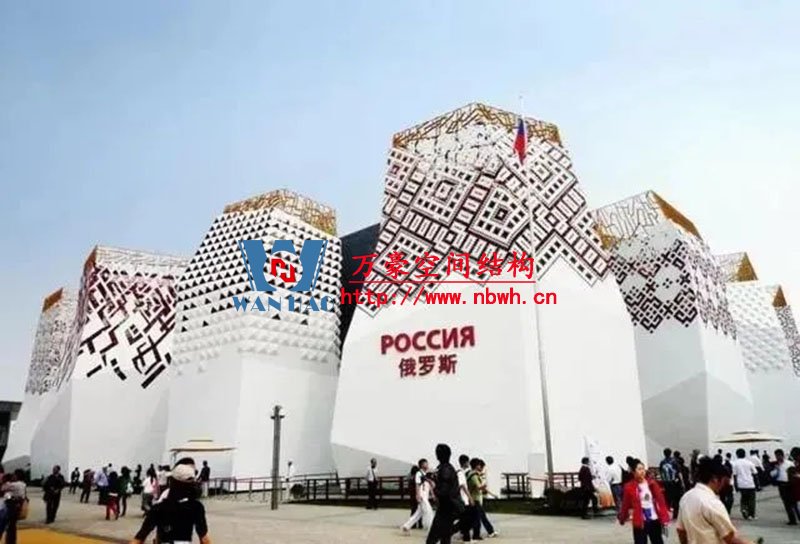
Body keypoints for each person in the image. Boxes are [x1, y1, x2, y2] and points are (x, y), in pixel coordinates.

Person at [676, 457, 757, 544]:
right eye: (723, 481)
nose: (723, 485)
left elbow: (681, 530)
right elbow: (730, 538)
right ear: (715, 479)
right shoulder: (712, 502)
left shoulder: (686, 497)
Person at [131, 463, 211, 544]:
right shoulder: (196, 507)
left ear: (172, 483)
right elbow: (204, 539)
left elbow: (140, 537)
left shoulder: (158, 508)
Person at [618, 459, 670, 544]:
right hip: (640, 521)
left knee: (657, 541)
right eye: (639, 469)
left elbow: (661, 501)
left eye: (643, 469)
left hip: (654, 519)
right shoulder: (629, 487)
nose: (642, 471)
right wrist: (622, 518)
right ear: (633, 472)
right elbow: (625, 504)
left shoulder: (652, 483)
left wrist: (664, 517)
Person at [425, 443, 464, 544]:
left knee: (432, 539)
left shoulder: (445, 469)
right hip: (449, 506)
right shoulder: (445, 468)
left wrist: (433, 486)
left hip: (447, 507)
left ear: (438, 455)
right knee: (445, 537)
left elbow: (443, 491)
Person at [402, 459, 434, 533]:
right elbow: (417, 485)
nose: (427, 465)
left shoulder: (426, 474)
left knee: (418, 513)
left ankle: (406, 526)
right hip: (422, 496)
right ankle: (431, 528)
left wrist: (432, 494)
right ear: (422, 465)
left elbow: (428, 485)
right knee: (428, 512)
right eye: (425, 463)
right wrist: (417, 495)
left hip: (425, 496)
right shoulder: (419, 474)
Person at [771, 448, 798, 525]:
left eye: (779, 456)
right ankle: (792, 520)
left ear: (782, 455)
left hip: (790, 484)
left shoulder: (789, 463)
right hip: (781, 485)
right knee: (786, 503)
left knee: (794, 502)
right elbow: (772, 475)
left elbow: (794, 473)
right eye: (776, 456)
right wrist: (777, 469)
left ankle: (797, 516)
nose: (777, 458)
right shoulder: (775, 465)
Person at [0, 470, 27, 544]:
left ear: (18, 476)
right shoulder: (23, 484)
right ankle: (11, 541)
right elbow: (8, 495)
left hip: (11, 508)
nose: (13, 476)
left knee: (4, 525)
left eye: (14, 475)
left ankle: (10, 541)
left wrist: (4, 480)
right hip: (16, 507)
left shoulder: (16, 484)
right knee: (11, 526)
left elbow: (2, 488)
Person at [731, 448, 758, 520]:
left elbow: (734, 475)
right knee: (751, 500)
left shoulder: (735, 464)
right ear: (745, 454)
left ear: (737, 455)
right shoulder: (749, 463)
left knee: (743, 498)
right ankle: (751, 515)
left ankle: (744, 509)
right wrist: (757, 484)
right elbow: (755, 474)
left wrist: (735, 485)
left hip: (741, 484)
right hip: (750, 483)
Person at [407, 463, 423, 530]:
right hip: (418, 494)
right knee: (419, 509)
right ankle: (420, 524)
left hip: (412, 494)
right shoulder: (418, 477)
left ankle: (413, 524)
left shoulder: (410, 477)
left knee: (413, 509)